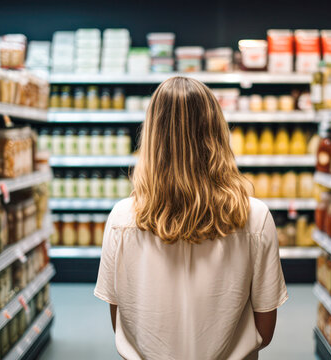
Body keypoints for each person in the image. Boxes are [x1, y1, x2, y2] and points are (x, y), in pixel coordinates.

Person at [95, 76, 288, 359]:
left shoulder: (122, 219)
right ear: (217, 133)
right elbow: (265, 330)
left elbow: (121, 322)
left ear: (151, 137)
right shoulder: (254, 217)